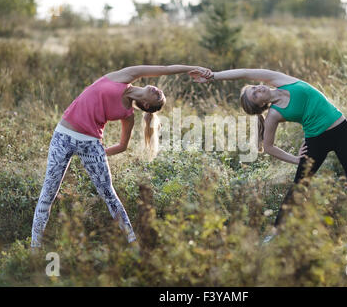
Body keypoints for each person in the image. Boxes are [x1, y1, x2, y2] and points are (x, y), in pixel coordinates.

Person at [189, 68, 347, 244]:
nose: (258, 89)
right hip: (316, 140)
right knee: (299, 187)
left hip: (341, 129)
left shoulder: (280, 79)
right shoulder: (274, 114)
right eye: (255, 94)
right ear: (260, 104)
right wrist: (296, 159)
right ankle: (276, 233)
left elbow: (245, 73)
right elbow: (268, 147)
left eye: (254, 88)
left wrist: (213, 76)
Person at [31, 65, 213, 248]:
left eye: (158, 96)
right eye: (160, 92)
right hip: (63, 134)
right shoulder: (125, 77)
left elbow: (122, 146)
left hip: (91, 143)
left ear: (147, 105)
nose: (158, 90)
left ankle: (133, 243)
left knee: (109, 195)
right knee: (48, 194)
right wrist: (192, 68)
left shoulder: (128, 115)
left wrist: (98, 155)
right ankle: (34, 249)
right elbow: (164, 69)